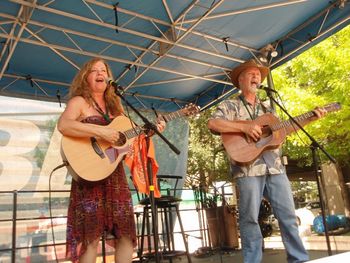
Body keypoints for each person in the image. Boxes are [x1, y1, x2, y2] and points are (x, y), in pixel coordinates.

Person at [207, 59, 327, 263]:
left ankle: (298, 259)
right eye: (252, 74)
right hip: (247, 169)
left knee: (288, 216)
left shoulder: (268, 109)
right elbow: (213, 123)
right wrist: (244, 128)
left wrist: (310, 118)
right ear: (240, 79)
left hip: (275, 168)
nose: (257, 77)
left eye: (258, 75)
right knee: (250, 219)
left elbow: (283, 130)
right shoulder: (230, 105)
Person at [58, 57, 165, 263]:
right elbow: (64, 125)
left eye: (104, 70)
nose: (100, 73)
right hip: (89, 176)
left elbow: (129, 140)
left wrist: (150, 132)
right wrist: (102, 132)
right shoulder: (79, 102)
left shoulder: (116, 109)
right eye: (94, 70)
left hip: (114, 177)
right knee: (90, 237)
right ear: (85, 77)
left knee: (125, 233)